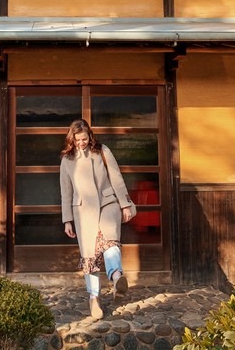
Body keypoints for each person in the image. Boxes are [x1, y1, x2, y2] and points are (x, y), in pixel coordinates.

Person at [59, 119, 136, 320]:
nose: (82, 143)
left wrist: (125, 204)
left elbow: (116, 177)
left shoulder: (102, 151)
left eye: (84, 139)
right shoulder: (67, 160)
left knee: (111, 241)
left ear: (90, 136)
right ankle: (94, 298)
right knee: (90, 255)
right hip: (83, 210)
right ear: (72, 139)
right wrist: (67, 219)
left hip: (108, 202)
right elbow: (65, 192)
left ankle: (117, 278)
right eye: (77, 140)